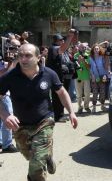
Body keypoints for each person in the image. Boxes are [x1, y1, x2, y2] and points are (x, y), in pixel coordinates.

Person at [0, 43, 78, 181]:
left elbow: (61, 92)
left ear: (38, 57)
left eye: (28, 56)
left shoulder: (49, 73)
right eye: (21, 56)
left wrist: (71, 112)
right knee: (30, 156)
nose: (23, 59)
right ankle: (46, 155)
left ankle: (38, 167)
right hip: (20, 125)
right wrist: (6, 115)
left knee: (35, 163)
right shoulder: (10, 76)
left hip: (44, 121)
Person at [46, 29, 77, 122]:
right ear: (56, 41)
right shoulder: (53, 48)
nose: (63, 41)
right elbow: (62, 49)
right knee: (57, 97)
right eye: (61, 40)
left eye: (63, 40)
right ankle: (58, 116)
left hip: (61, 76)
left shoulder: (61, 49)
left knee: (61, 96)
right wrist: (70, 36)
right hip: (55, 77)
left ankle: (60, 114)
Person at [0, 59, 18, 153]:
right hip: (3, 96)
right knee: (7, 119)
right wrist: (14, 62)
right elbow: (5, 75)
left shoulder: (4, 61)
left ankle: (2, 141)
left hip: (4, 94)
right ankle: (7, 144)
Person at [90, 44, 110, 113]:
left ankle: (102, 106)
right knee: (95, 92)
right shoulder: (91, 58)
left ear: (99, 49)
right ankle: (94, 107)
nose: (96, 50)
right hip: (95, 76)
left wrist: (108, 72)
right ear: (93, 50)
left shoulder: (102, 57)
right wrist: (92, 75)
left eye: (97, 48)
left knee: (102, 91)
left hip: (103, 75)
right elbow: (90, 68)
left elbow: (106, 66)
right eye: (95, 48)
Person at [74, 42, 91, 114]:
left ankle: (86, 106)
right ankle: (80, 107)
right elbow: (75, 65)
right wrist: (79, 60)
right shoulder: (76, 55)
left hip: (86, 76)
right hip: (78, 77)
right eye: (82, 47)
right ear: (79, 48)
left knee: (87, 93)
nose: (83, 49)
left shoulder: (87, 55)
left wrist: (84, 61)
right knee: (79, 94)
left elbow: (89, 67)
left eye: (84, 47)